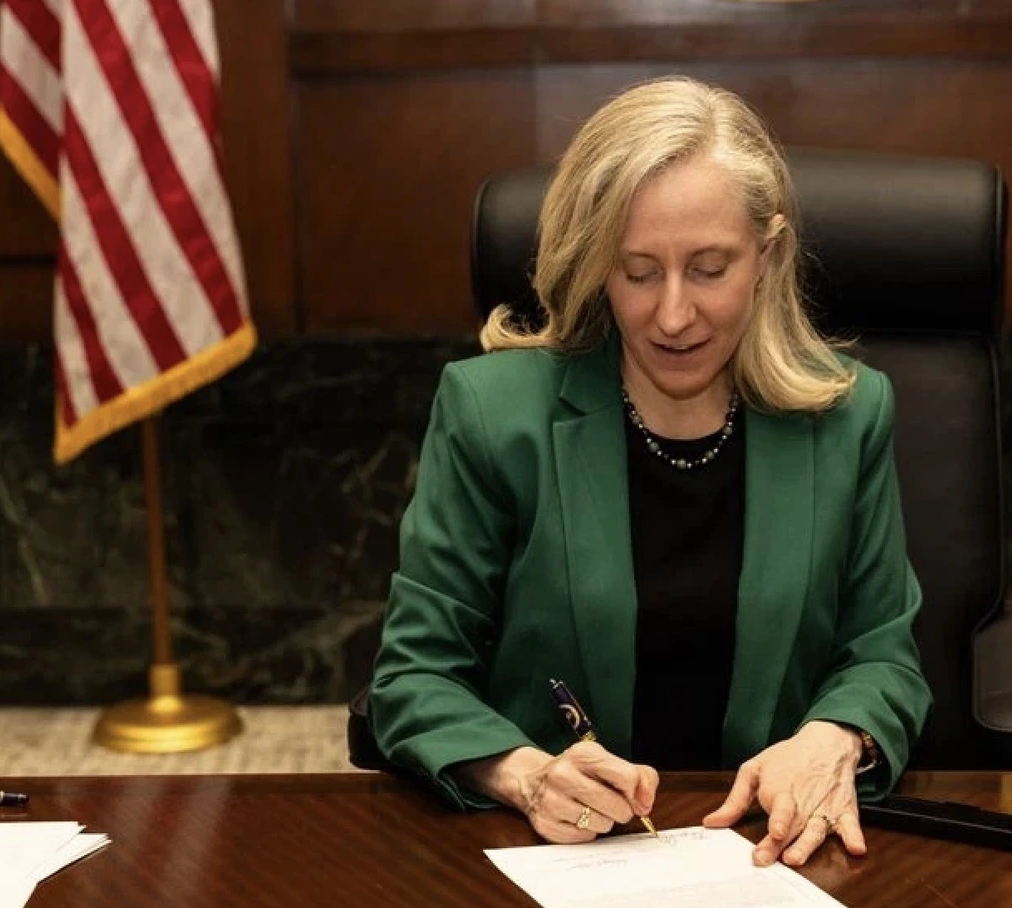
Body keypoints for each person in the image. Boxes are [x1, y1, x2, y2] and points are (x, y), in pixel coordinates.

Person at [367, 76, 932, 869]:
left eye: (709, 268)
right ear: (598, 266)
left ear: (767, 256)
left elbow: (881, 654)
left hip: (768, 856)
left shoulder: (847, 414)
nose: (673, 315)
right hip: (553, 856)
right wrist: (526, 775)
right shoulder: (494, 414)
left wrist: (835, 736)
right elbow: (413, 675)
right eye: (637, 272)